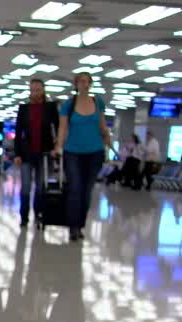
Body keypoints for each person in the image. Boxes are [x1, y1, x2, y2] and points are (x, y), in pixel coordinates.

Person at [54, 72, 110, 241]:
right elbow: (62, 128)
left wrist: (107, 138)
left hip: (95, 152)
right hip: (73, 152)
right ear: (76, 84)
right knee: (75, 188)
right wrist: (58, 146)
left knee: (87, 191)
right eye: (81, 81)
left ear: (90, 84)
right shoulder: (68, 105)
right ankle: (72, 226)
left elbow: (102, 125)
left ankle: (80, 224)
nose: (84, 84)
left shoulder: (98, 102)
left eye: (87, 81)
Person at [13, 78, 59, 227]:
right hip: (27, 154)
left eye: (38, 90)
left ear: (43, 90)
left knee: (40, 188)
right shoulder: (24, 109)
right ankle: (24, 217)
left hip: (44, 154)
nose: (35, 93)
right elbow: (18, 133)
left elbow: (58, 129)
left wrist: (56, 147)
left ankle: (39, 214)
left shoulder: (50, 108)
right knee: (25, 187)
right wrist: (17, 154)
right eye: (32, 90)